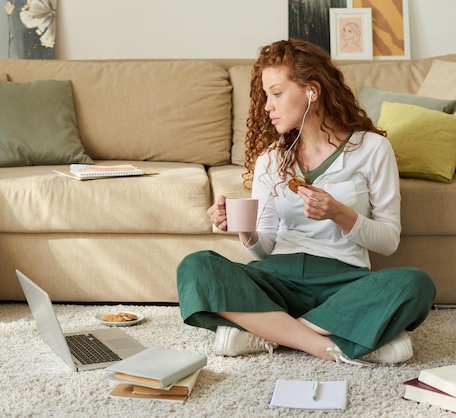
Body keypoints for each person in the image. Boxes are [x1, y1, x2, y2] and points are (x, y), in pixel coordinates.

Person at [176, 39, 436, 365]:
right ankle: (326, 343)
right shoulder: (271, 160)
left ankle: (267, 330)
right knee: (196, 266)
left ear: (312, 91)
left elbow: (388, 241)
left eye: (277, 93)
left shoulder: (371, 149)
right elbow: (263, 247)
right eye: (266, 96)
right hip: (277, 279)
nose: (266, 106)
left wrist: (339, 214)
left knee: (416, 284)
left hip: (343, 283)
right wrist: (245, 231)